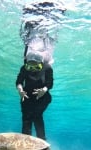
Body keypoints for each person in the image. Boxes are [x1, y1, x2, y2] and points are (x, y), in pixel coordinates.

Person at [16, 2, 65, 140]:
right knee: (26, 120)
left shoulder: (47, 67)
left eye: (35, 67)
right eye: (29, 66)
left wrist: (44, 89)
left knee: (36, 117)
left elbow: (50, 83)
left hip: (42, 98)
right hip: (26, 97)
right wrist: (19, 89)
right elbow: (19, 81)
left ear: (41, 64)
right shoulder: (25, 67)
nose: (31, 70)